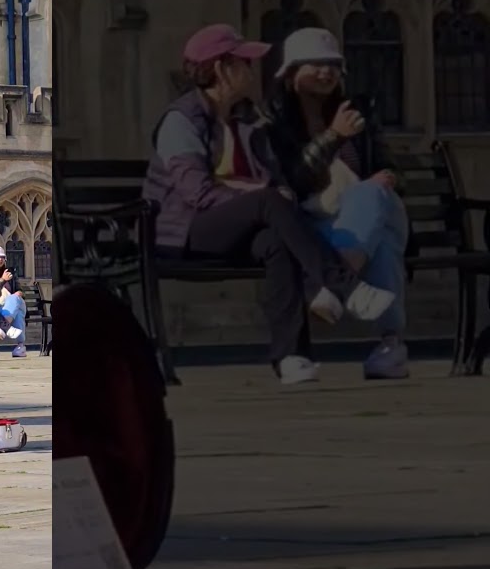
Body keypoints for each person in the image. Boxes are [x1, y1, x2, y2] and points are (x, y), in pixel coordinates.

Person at [142, 23, 395, 384]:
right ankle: (346, 286)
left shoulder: (249, 119)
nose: (252, 69)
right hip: (185, 230)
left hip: (240, 225)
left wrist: (276, 192)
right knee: (268, 203)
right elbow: (196, 194)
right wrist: (259, 196)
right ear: (221, 68)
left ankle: (292, 356)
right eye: (244, 62)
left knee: (277, 240)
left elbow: (273, 177)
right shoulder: (181, 121)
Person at [265, 28, 410, 380]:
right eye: (315, 64)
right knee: (385, 243)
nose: (326, 72)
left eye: (333, 64)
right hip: (317, 225)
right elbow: (295, 181)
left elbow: (388, 163)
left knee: (370, 195)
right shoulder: (277, 125)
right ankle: (392, 345)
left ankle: (335, 286)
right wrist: (334, 136)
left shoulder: (357, 112)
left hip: (368, 212)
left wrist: (387, 176)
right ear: (291, 73)